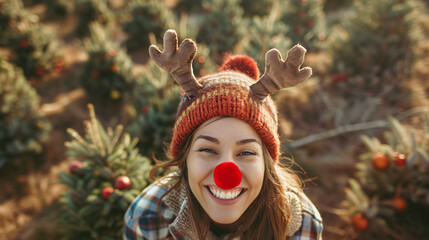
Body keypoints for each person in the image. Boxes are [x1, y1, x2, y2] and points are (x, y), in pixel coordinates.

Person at [123, 29, 323, 240]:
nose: (226, 175)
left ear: (267, 164)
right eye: (208, 149)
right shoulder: (147, 217)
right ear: (185, 160)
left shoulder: (301, 222)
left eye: (246, 152)